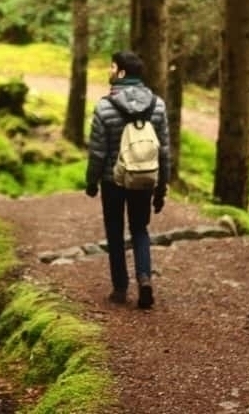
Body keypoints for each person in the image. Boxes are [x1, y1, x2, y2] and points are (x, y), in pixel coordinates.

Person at [85, 51, 170, 309]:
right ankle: (145, 279)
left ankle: (120, 289)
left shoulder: (104, 107)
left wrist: (92, 181)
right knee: (140, 229)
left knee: (114, 231)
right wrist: (161, 186)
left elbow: (98, 152)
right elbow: (163, 149)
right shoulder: (158, 106)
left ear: (121, 73)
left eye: (112, 67)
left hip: (114, 181)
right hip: (144, 179)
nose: (109, 71)